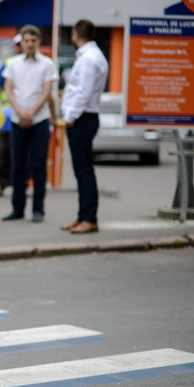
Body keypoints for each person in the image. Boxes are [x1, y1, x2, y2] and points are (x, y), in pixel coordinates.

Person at [1, 25, 58, 223]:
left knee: (38, 166)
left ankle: (38, 209)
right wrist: (19, 112)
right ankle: (17, 208)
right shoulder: (14, 63)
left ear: (38, 42)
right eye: (27, 41)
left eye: (34, 41)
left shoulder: (47, 64)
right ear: (21, 42)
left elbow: (46, 92)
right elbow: (9, 90)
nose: (30, 44)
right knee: (18, 166)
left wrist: (31, 113)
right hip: (18, 120)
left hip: (39, 120)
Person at [60, 19, 109, 234]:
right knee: (82, 170)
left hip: (82, 117)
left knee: (84, 170)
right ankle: (83, 216)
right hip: (84, 116)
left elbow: (83, 91)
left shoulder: (89, 58)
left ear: (75, 35)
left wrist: (70, 116)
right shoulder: (92, 55)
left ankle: (89, 218)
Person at [0, 33, 22, 198]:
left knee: (25, 153)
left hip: (26, 115)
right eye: (18, 45)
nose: (20, 47)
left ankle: (23, 185)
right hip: (7, 116)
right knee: (3, 151)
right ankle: (0, 184)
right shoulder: (8, 64)